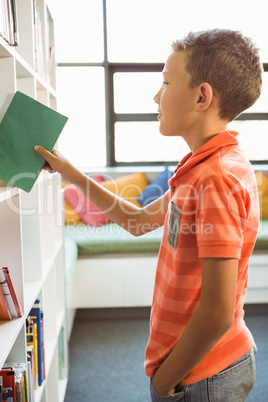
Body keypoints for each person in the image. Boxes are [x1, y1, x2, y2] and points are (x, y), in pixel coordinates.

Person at [34, 29, 263, 401]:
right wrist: (71, 173)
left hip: (200, 375)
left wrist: (164, 381)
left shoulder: (216, 176)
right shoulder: (199, 166)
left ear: (202, 97)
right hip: (194, 368)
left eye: (166, 82)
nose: (156, 95)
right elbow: (137, 221)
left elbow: (218, 311)